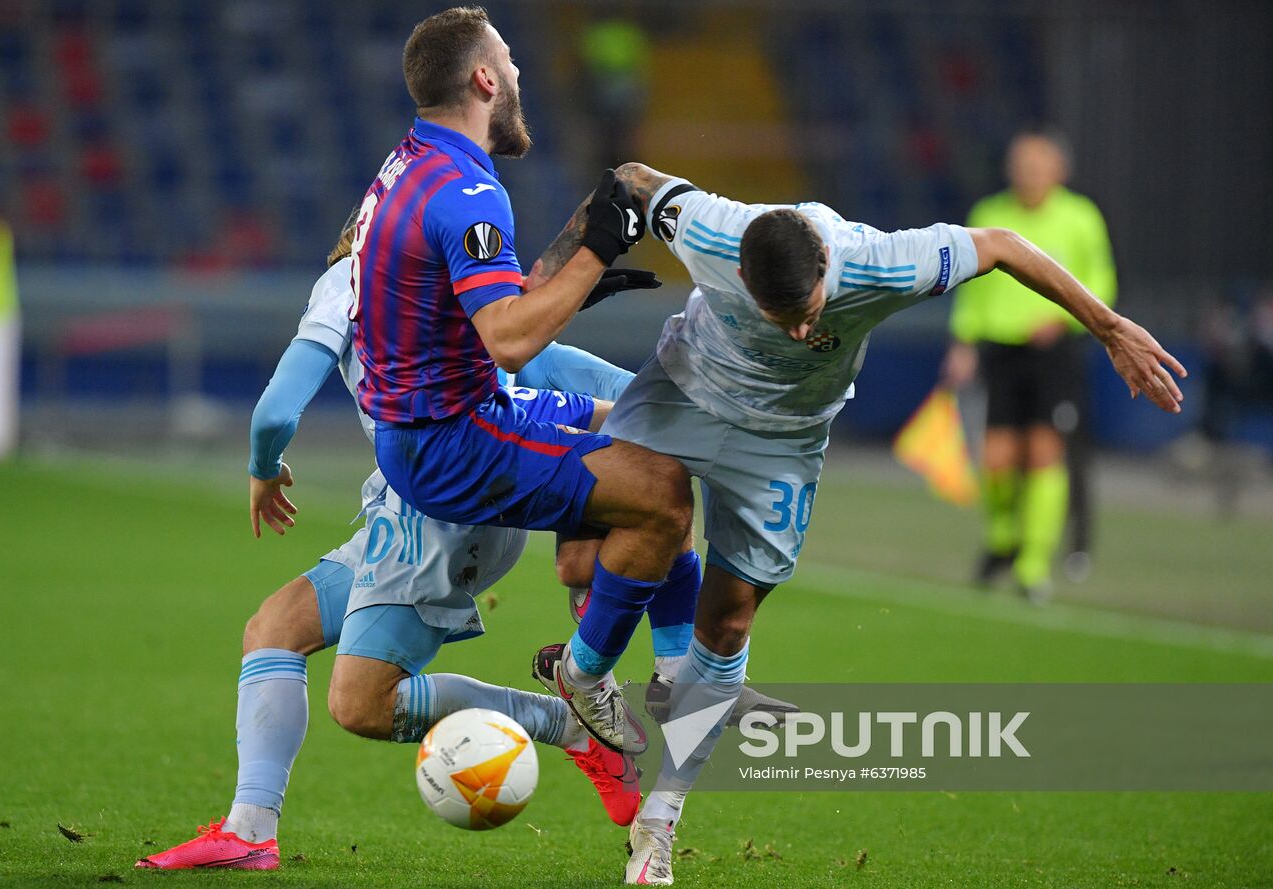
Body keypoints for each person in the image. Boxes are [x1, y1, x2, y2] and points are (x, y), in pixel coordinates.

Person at [529, 162, 1184, 885]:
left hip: (782, 441)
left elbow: (1000, 244)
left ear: (826, 268)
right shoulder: (712, 229)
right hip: (682, 394)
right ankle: (586, 674)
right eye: (785, 316)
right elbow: (631, 180)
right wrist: (548, 278)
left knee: (732, 625)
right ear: (738, 272)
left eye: (812, 309)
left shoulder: (882, 263)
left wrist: (1110, 327)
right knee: (618, 527)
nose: (805, 326)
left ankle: (660, 819)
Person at [136, 233, 660, 870]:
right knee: (274, 629)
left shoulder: (350, 282)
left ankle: (574, 727)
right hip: (434, 495)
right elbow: (541, 362)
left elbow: (275, 411)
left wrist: (264, 465)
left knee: (360, 704)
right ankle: (249, 832)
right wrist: (650, 401)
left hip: (439, 511)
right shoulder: (451, 275)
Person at [352, 7, 694, 756]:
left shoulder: (410, 163)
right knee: (664, 492)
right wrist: (598, 248)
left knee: (652, 429)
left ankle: (615, 606)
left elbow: (475, 301)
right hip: (456, 438)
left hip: (431, 423)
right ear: (482, 78)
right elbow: (507, 339)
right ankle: (602, 679)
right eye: (508, 63)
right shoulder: (471, 191)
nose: (517, 75)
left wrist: (571, 274)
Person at [941, 129, 1117, 598]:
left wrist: (1064, 319)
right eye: (1020, 165)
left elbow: (1101, 281)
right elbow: (971, 289)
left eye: (1037, 166)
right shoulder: (990, 215)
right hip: (1000, 349)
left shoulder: (1080, 218)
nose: (1028, 174)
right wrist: (963, 343)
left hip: (1054, 352)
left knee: (1044, 452)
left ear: (1058, 171)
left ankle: (1032, 567)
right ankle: (1004, 539)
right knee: (996, 458)